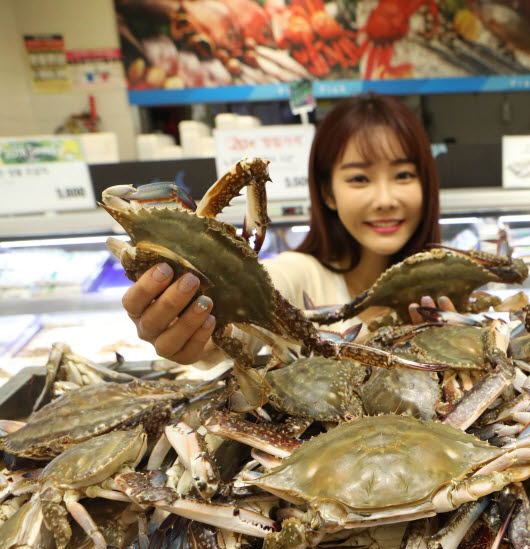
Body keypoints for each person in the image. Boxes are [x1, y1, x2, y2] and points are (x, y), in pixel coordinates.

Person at [120, 93, 441, 365]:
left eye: (403, 175)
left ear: (426, 184)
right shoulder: (300, 278)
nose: (385, 200)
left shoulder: (446, 294)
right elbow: (253, 305)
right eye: (359, 178)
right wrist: (194, 327)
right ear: (328, 193)